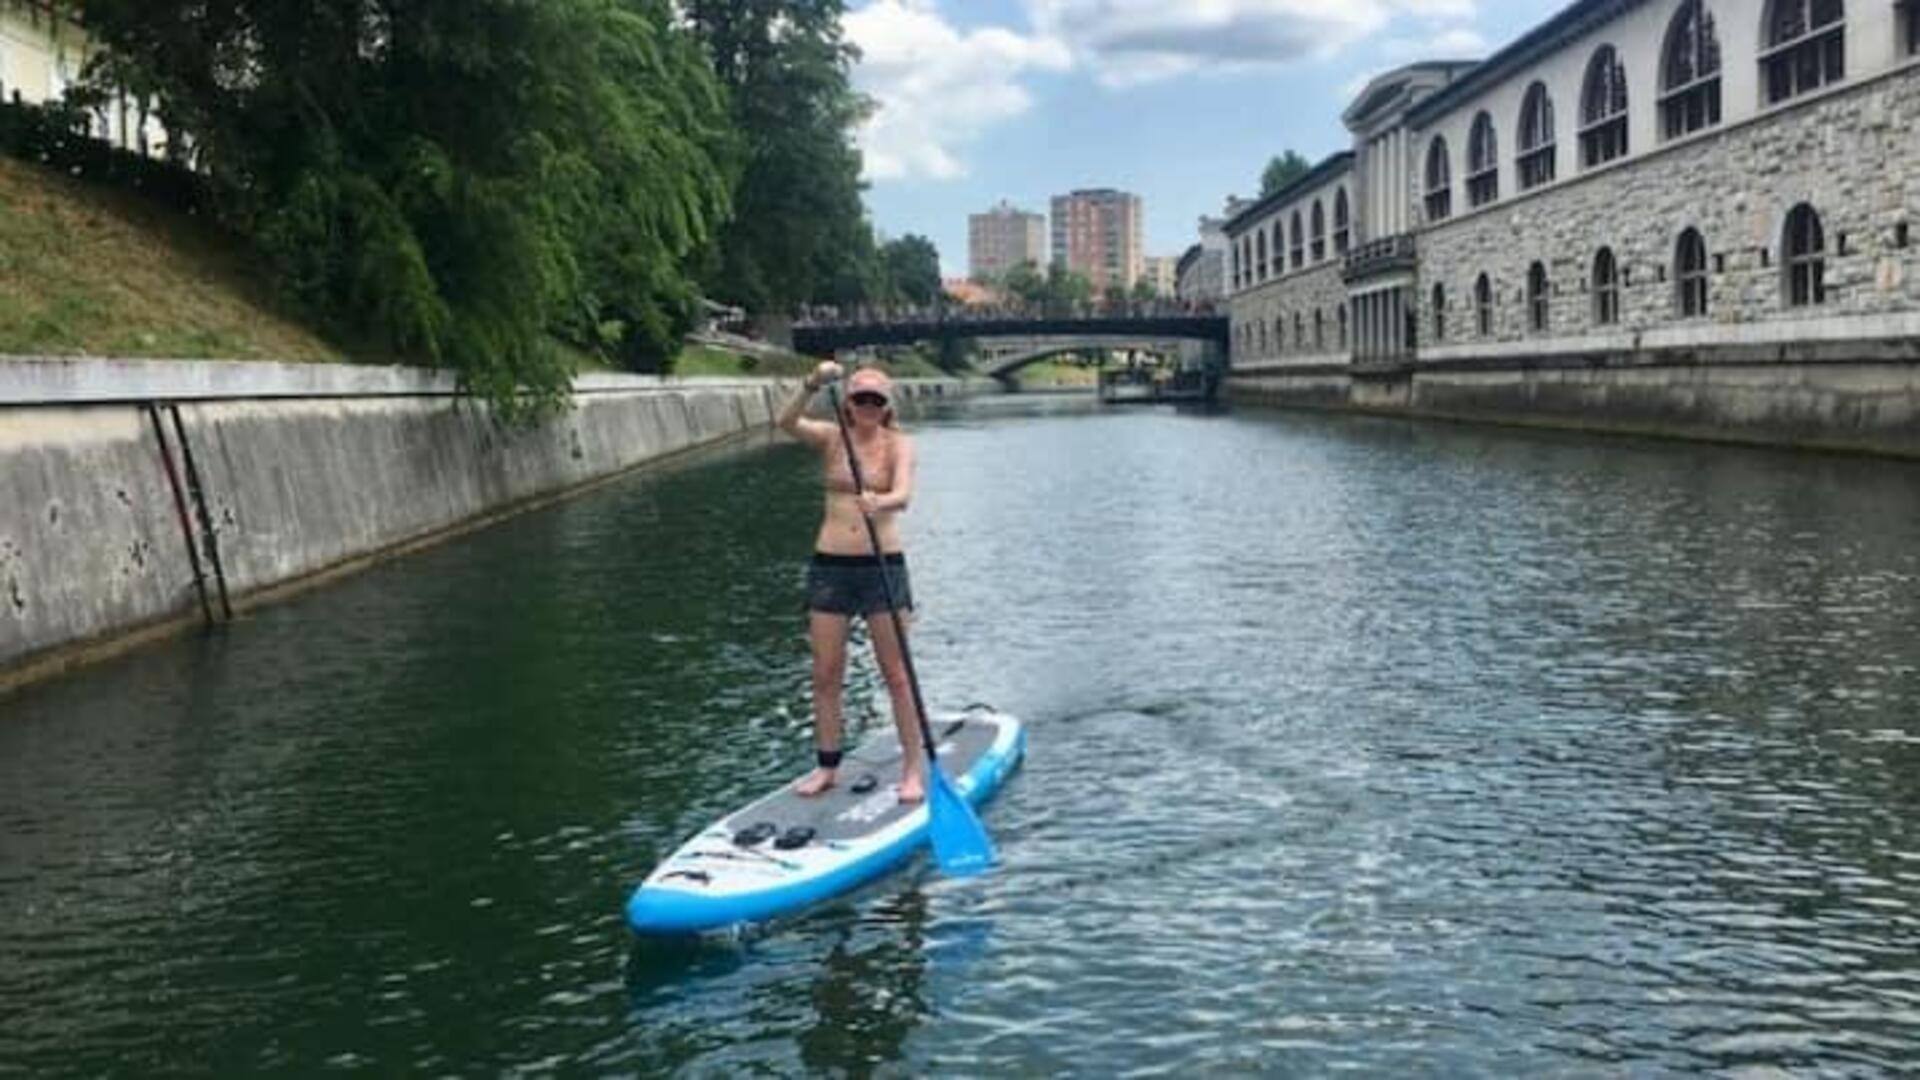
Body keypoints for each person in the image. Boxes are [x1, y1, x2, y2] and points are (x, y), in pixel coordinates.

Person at [776, 361, 926, 803]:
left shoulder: (899, 444)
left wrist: (878, 501)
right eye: (860, 398)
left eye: (876, 400)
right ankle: (827, 766)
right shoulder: (830, 438)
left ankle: (912, 770)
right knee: (825, 674)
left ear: (886, 406)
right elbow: (784, 422)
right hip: (831, 568)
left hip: (883, 568)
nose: (868, 407)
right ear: (848, 402)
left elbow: (903, 495)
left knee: (897, 676)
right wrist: (810, 384)